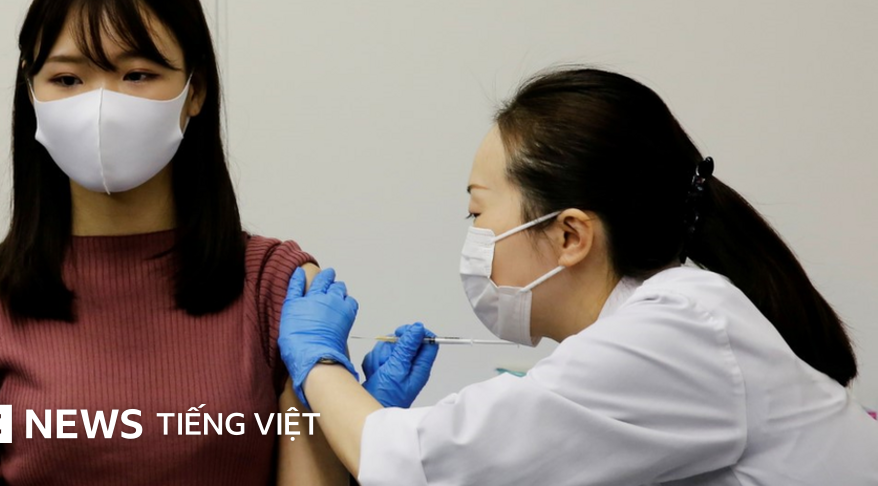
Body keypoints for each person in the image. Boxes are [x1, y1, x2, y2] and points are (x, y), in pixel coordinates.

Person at [279, 67, 878, 485]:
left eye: (477, 214)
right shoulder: (663, 327)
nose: (474, 238)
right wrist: (368, 413)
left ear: (570, 236)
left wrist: (320, 362)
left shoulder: (676, 330)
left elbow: (420, 465)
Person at [0, 0, 347, 485]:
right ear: (31, 93)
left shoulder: (279, 292)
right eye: (67, 79)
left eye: (137, 74)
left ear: (195, 89)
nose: (101, 106)